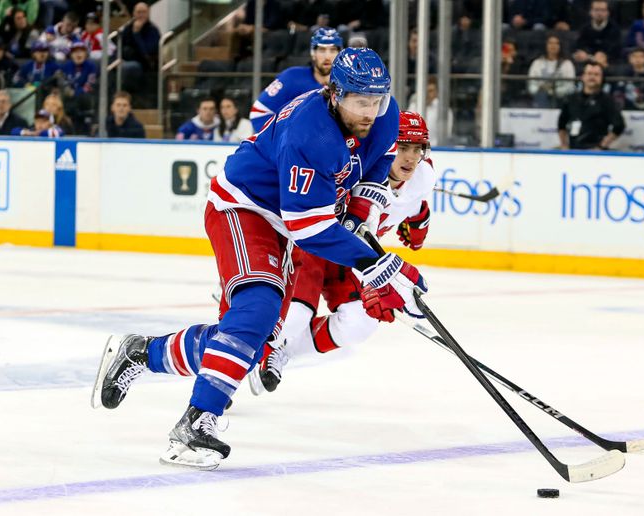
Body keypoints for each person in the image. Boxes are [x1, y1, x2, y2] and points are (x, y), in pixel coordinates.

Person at [91, 48, 426, 470]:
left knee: (254, 336)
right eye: (361, 101)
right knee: (259, 308)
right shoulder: (311, 133)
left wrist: (361, 220)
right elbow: (309, 228)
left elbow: (376, 166)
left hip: (284, 221)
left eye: (377, 100)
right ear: (335, 92)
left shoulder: (384, 113)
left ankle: (141, 353)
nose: (371, 111)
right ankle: (196, 424)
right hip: (244, 206)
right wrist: (377, 266)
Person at [247, 111, 437, 394]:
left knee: (360, 324)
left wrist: (419, 216)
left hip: (349, 257)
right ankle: (231, 372)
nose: (409, 157)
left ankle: (282, 352)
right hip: (315, 243)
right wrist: (379, 278)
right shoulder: (364, 169)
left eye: (416, 149)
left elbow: (411, 202)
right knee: (295, 316)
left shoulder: (423, 176)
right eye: (401, 148)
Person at [250, 27, 342, 132]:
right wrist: (280, 141)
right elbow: (259, 112)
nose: (327, 56)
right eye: (322, 50)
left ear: (340, 53)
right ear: (313, 53)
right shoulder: (292, 77)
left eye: (333, 50)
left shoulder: (348, 84)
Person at [558, 61, 625, 150]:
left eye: (596, 74)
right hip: (573, 151)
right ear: (583, 76)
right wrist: (564, 145)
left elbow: (619, 126)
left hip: (596, 152)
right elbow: (561, 124)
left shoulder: (607, 100)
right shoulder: (571, 99)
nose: (592, 77)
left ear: (601, 78)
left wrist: (601, 146)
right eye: (589, 74)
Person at [120, 2, 160, 97]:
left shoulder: (153, 30)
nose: (141, 15)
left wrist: (137, 34)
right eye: (138, 12)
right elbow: (120, 46)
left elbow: (147, 52)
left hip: (144, 64)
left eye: (144, 12)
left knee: (129, 68)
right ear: (134, 13)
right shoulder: (127, 28)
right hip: (125, 60)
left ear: (148, 13)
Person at [527, 34, 576, 108]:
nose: (553, 46)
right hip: (541, 99)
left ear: (560, 46)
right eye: (550, 43)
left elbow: (570, 87)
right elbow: (531, 85)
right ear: (545, 45)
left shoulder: (567, 64)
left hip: (561, 100)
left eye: (556, 43)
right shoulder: (537, 63)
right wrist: (541, 90)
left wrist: (552, 92)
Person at [407, 76, 453, 146]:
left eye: (431, 91)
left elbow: (447, 134)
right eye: (425, 90)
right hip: (415, 148)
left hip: (436, 149)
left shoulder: (444, 111)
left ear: (437, 92)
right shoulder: (413, 107)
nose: (427, 94)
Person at [573, 0, 622, 66]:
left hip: (608, 63)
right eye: (596, 10)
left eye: (603, 10)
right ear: (590, 12)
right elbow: (580, 46)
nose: (599, 13)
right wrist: (585, 54)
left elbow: (615, 50)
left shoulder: (615, 29)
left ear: (608, 12)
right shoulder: (584, 29)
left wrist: (603, 56)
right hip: (587, 62)